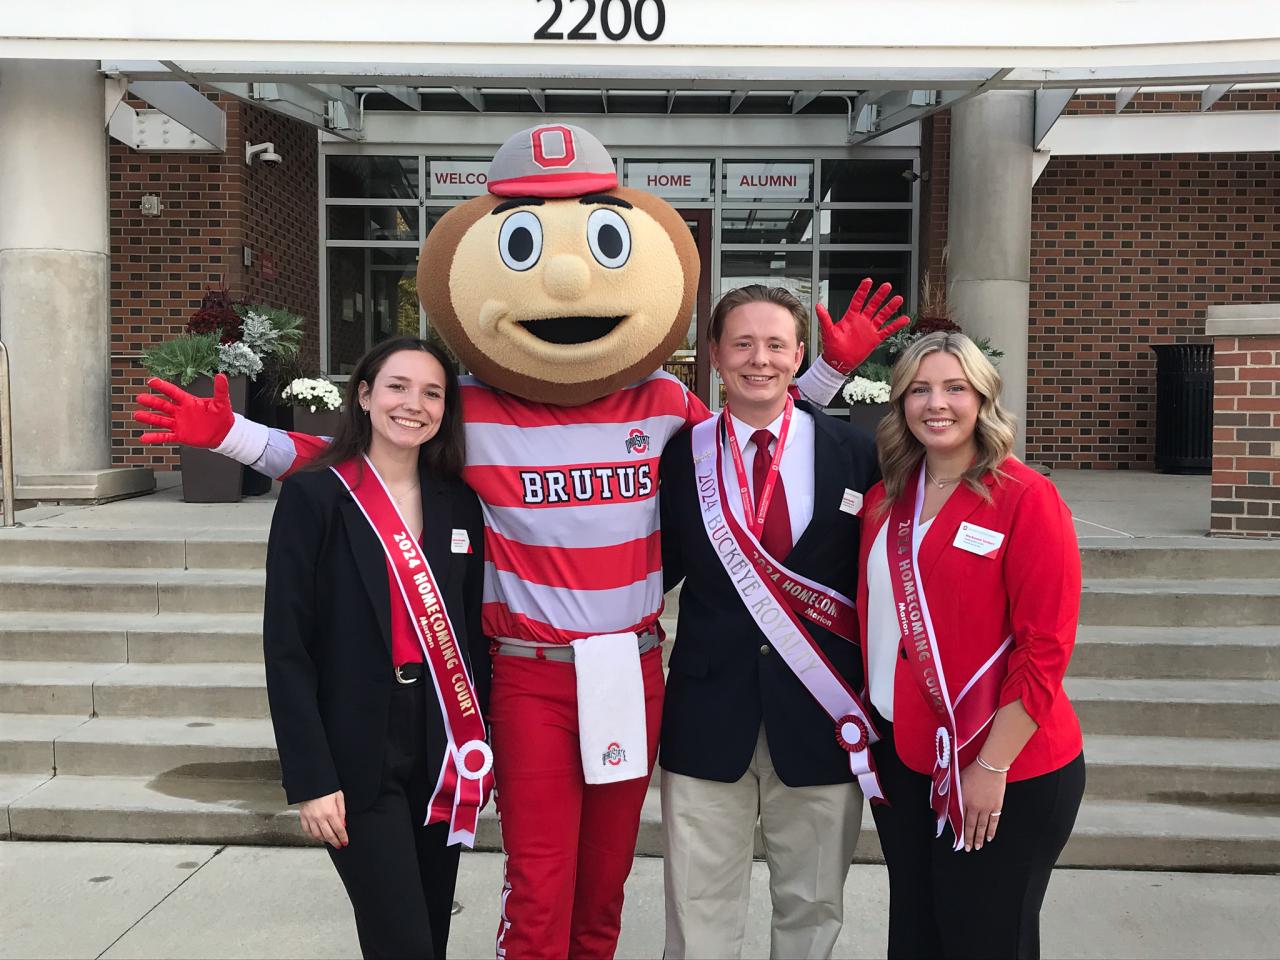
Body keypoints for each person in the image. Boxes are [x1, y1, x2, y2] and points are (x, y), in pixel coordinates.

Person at [134, 123, 904, 960]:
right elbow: (368, 465)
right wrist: (239, 438)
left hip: (632, 668)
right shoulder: (471, 405)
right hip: (531, 677)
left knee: (604, 883)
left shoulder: (661, 404)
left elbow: (759, 435)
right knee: (541, 881)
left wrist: (821, 376)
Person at [657, 284, 890, 960]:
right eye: (743, 344)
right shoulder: (680, 456)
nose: (760, 360)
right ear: (714, 357)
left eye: (776, 345)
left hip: (821, 715)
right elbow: (657, 565)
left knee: (812, 907)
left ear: (799, 356)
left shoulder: (854, 454)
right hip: (707, 710)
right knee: (697, 908)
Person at [856, 331, 1086, 960]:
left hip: (1000, 764)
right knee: (916, 935)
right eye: (920, 389)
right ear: (899, 402)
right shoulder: (883, 500)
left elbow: (1045, 649)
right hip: (905, 760)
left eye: (955, 388)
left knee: (985, 940)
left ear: (984, 398)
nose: (938, 403)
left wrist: (990, 769)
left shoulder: (1026, 499)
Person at [263, 336, 492, 960]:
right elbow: (287, 650)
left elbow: (470, 634)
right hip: (356, 747)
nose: (413, 404)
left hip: (442, 743)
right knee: (401, 941)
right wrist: (310, 777)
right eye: (397, 386)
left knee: (429, 933)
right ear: (364, 395)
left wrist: (480, 742)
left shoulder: (459, 504)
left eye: (432, 393)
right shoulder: (315, 498)